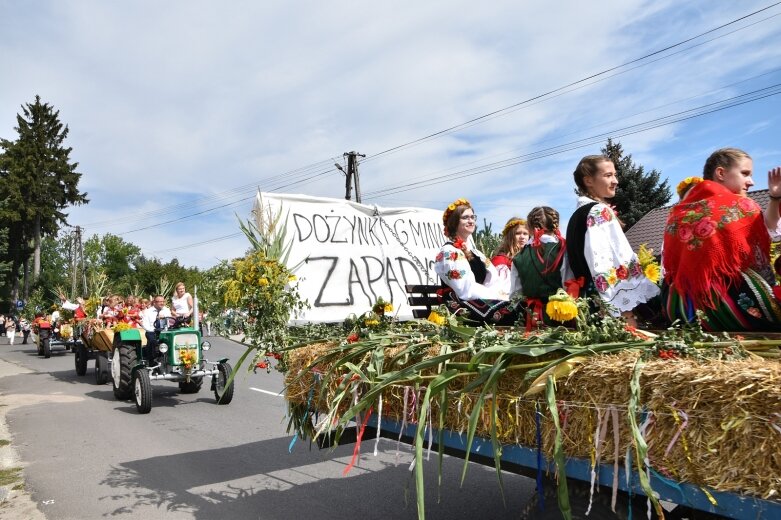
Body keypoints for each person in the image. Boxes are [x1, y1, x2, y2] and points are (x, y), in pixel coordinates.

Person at [662, 148, 781, 331]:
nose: (751, 182)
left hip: (683, 309)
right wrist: (774, 198)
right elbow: (768, 231)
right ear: (721, 173)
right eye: (745, 174)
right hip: (734, 308)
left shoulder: (678, 213)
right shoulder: (741, 206)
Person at [566, 155, 660, 326]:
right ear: (588, 180)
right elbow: (613, 260)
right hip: (610, 306)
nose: (615, 180)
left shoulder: (575, 216)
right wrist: (626, 308)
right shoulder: (598, 211)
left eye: (615, 175)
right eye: (608, 175)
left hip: (586, 304)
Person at [433, 198, 516, 324]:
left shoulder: (476, 253)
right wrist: (494, 296)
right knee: (507, 311)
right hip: (459, 304)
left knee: (515, 306)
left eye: (472, 217)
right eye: (465, 217)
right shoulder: (449, 252)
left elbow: (493, 279)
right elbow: (464, 289)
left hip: (478, 298)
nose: (471, 221)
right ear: (455, 222)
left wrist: (499, 295)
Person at [511, 207, 573, 326]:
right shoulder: (564, 250)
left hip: (531, 317)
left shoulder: (519, 257)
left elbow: (515, 296)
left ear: (530, 228)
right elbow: (568, 285)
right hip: (560, 315)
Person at [491, 217, 529, 297]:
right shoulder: (500, 260)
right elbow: (500, 293)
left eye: (525, 233)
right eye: (518, 233)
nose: (522, 237)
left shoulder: (529, 258)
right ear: (509, 236)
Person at [140, 295, 172, 362]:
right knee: (152, 340)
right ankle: (152, 360)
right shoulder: (148, 311)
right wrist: (153, 329)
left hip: (164, 331)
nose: (162, 303)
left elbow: (170, 322)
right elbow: (145, 324)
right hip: (152, 331)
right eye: (159, 302)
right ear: (154, 302)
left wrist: (165, 318)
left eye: (163, 301)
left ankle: (169, 358)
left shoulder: (167, 310)